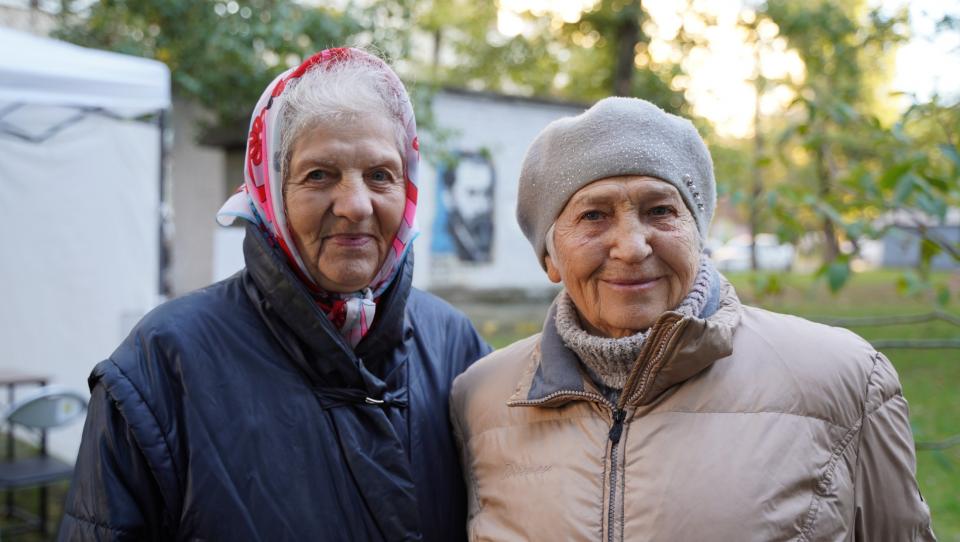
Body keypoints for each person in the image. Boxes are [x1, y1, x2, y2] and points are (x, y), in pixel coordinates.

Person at [449, 97, 935, 541]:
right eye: (593, 216)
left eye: (660, 210)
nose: (633, 246)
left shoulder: (845, 379)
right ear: (549, 257)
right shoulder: (481, 401)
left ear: (698, 235)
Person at [60, 48, 490, 541]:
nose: (355, 205)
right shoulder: (162, 364)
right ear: (269, 192)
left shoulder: (455, 345)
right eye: (319, 175)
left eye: (379, 175)